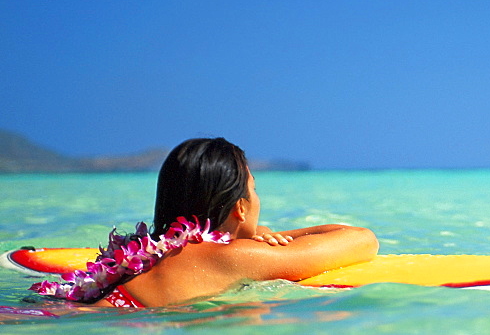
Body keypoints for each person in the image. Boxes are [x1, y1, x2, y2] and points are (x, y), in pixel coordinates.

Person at [33, 137, 378, 308]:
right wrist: (270, 238)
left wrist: (255, 234)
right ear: (240, 208)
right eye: (254, 191)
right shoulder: (232, 257)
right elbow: (362, 240)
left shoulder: (151, 253)